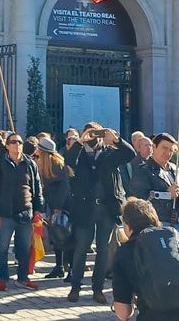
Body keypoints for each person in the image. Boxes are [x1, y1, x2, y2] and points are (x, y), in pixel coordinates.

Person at [64, 123, 135, 304]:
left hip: (106, 209)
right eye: (91, 133)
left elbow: (130, 154)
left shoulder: (109, 152)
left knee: (104, 250)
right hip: (85, 208)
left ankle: (98, 288)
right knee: (81, 248)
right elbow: (68, 161)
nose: (94, 136)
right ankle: (75, 287)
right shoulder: (78, 152)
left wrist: (116, 140)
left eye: (97, 133)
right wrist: (80, 141)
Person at [0, 132, 42, 291]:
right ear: (7, 146)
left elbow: (37, 188)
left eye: (19, 142)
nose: (17, 144)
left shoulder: (30, 164)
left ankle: (23, 278)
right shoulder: (0, 163)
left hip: (25, 213)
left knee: (24, 248)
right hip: (5, 213)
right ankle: (2, 278)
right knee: (2, 248)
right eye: (13, 142)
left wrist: (38, 210)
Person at [129, 133, 179, 232]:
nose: (168, 152)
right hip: (158, 223)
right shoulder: (144, 170)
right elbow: (140, 199)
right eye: (164, 148)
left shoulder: (177, 170)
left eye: (171, 150)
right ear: (154, 146)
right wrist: (166, 195)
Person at [34, 137, 70, 279]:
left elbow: (64, 188)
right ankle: (59, 266)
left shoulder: (57, 165)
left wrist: (58, 208)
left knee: (62, 235)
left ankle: (64, 267)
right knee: (56, 237)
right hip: (51, 204)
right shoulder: (44, 164)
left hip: (60, 206)